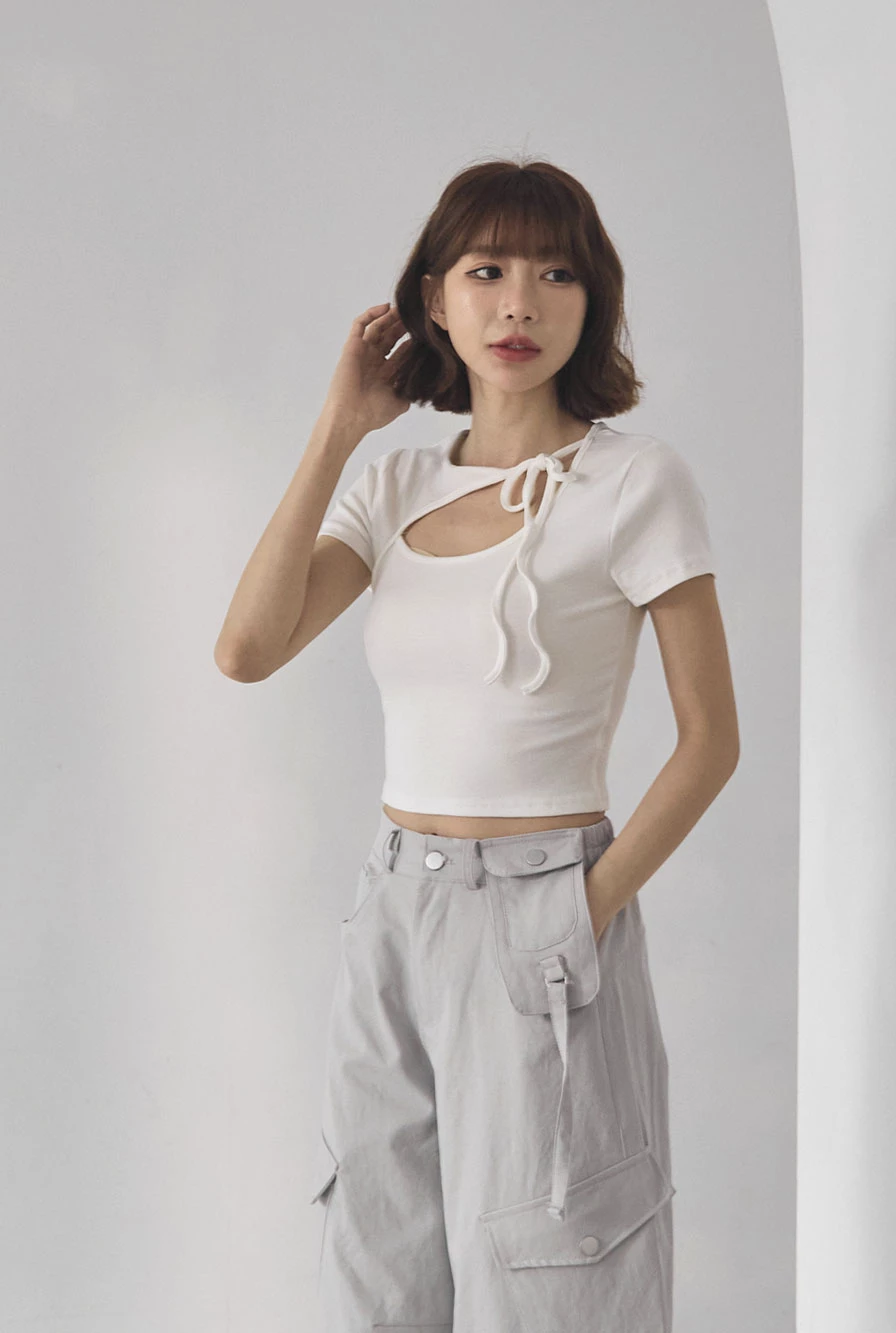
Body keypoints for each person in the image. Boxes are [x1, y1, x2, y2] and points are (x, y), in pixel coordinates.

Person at [215, 157, 739, 1333]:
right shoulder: (394, 483)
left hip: (544, 903)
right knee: (376, 1262)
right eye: (486, 271)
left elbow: (710, 739)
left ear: (592, 299)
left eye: (555, 274)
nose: (518, 304)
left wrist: (580, 908)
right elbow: (246, 649)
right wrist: (339, 427)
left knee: (553, 1267)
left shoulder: (634, 482)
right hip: (394, 903)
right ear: (433, 299)